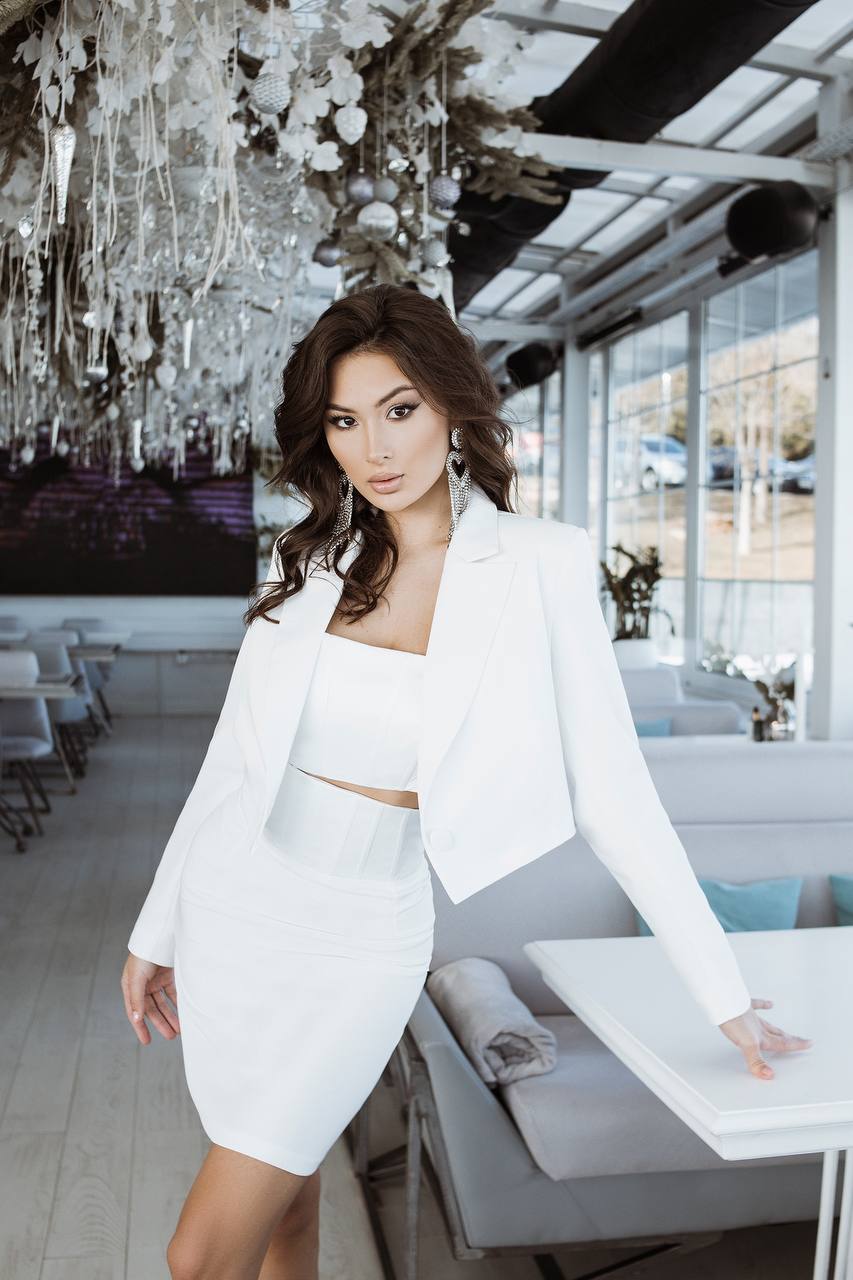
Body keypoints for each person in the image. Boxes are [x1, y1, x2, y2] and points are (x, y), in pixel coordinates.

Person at [120, 283, 812, 1280]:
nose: (375, 448)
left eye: (399, 410)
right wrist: (157, 929)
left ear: (451, 406)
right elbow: (233, 761)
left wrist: (723, 993)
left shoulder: (539, 563)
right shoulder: (321, 563)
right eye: (346, 422)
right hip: (236, 905)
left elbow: (614, 794)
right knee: (283, 1219)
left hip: (361, 939)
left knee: (201, 1255)